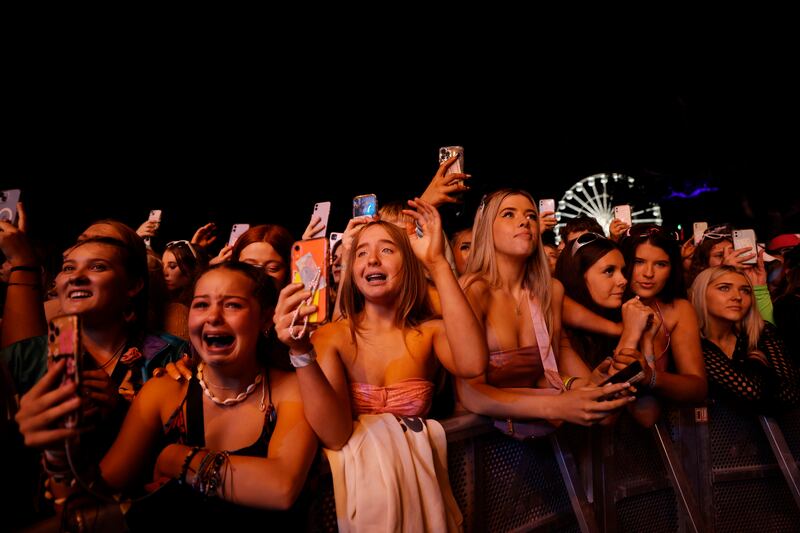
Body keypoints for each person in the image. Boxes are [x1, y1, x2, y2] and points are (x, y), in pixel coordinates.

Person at [17, 263, 318, 528]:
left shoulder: (289, 389)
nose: (213, 317)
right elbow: (96, 498)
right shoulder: (164, 391)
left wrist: (177, 458)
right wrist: (58, 452)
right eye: (201, 305)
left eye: (232, 305)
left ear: (266, 319)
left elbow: (281, 488)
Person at [274, 198, 485, 530]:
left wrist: (438, 263)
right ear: (353, 269)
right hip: (344, 511)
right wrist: (300, 352)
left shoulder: (430, 332)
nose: (372, 258)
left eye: (387, 250)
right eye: (360, 253)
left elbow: (474, 364)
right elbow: (335, 434)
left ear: (410, 262)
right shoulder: (332, 337)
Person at [456, 190, 634, 430]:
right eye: (509, 214)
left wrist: (587, 385)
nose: (524, 221)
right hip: (483, 442)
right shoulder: (473, 290)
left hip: (541, 441)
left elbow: (552, 369)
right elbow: (470, 393)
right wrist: (555, 406)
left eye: (531, 215)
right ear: (486, 228)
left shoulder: (550, 291)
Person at [617, 225, 708, 406]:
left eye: (661, 264)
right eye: (638, 262)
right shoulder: (605, 302)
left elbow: (698, 388)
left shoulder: (679, 309)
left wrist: (652, 377)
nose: (648, 273)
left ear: (672, 268)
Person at [689, 265, 800, 412]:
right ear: (701, 293)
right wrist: (758, 366)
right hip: (714, 433)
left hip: (771, 434)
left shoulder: (761, 333)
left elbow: (792, 395)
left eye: (745, 290)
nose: (737, 297)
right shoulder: (694, 343)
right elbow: (751, 394)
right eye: (724, 288)